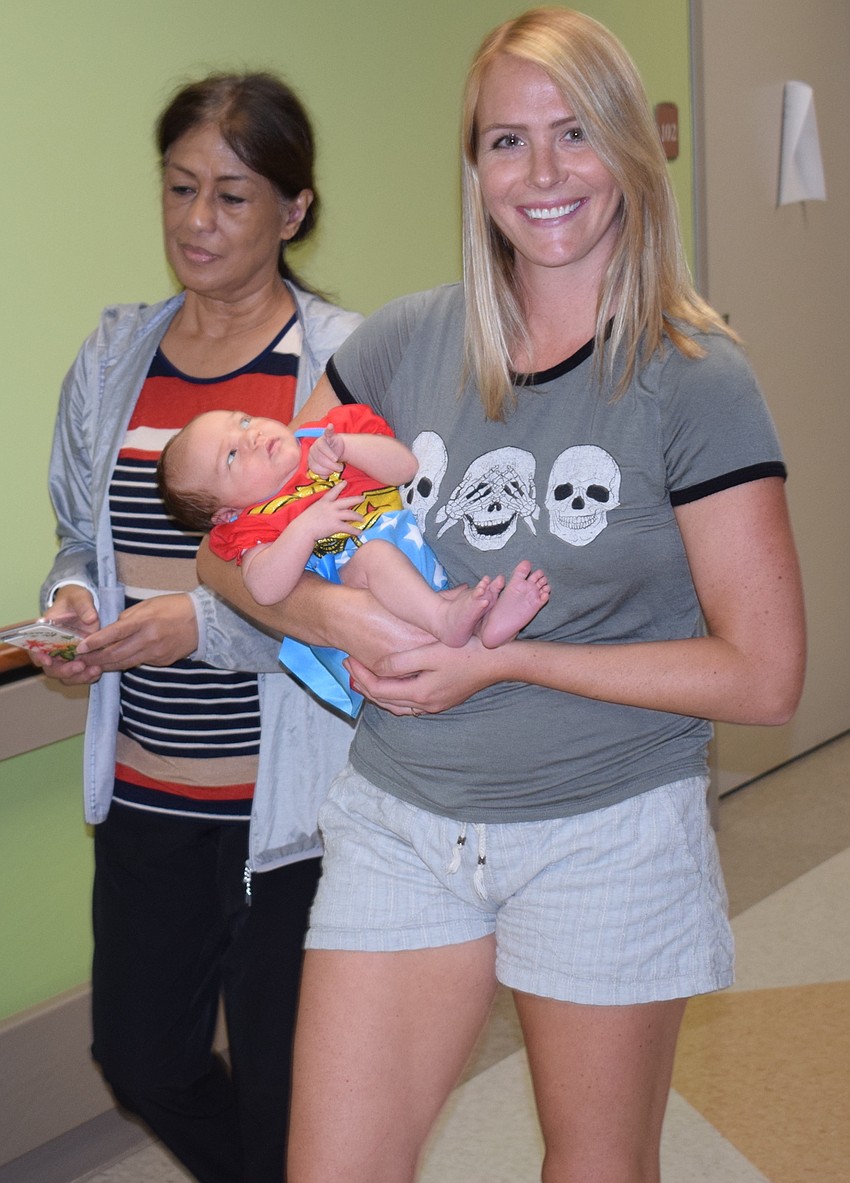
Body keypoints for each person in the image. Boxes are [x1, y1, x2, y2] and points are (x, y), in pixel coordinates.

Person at [198, 10, 806, 1183]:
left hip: (605, 826)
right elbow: (235, 543)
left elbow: (763, 675)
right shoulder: (403, 345)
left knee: (592, 1165)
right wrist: (327, 615)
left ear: (631, 146)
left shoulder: (693, 379)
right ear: (473, 168)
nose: (541, 175)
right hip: (402, 823)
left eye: (573, 133)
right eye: (505, 141)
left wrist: (510, 659)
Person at [32, 73, 362, 1183]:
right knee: (142, 1057)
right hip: (146, 795)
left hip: (298, 817)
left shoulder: (339, 368)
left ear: (294, 211)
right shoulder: (117, 356)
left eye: (231, 194)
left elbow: (366, 591)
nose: (196, 221)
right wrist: (79, 599)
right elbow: (86, 533)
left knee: (287, 1097)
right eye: (180, 187)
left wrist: (204, 626)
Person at [158, 404, 551, 715]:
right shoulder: (253, 522)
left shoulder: (325, 435)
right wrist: (304, 528)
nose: (252, 437)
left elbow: (405, 468)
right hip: (361, 584)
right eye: (230, 457)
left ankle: (489, 629)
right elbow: (263, 588)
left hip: (417, 559)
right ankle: (447, 621)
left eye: (242, 421)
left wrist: (346, 446)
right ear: (226, 513)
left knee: (453, 591)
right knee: (377, 557)